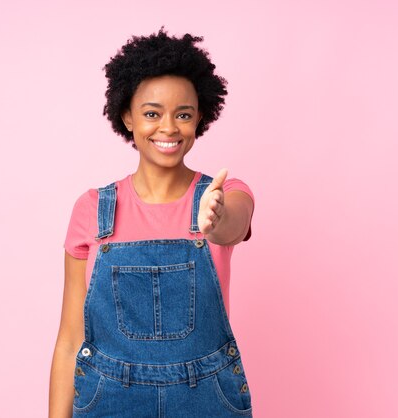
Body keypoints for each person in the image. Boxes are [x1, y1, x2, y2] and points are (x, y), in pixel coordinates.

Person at [49, 28, 255, 417]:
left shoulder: (223, 194)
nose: (169, 128)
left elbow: (233, 222)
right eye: (152, 113)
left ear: (200, 118)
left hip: (207, 399)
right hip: (108, 399)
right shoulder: (92, 209)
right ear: (127, 116)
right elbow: (71, 337)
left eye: (183, 114)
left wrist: (218, 218)